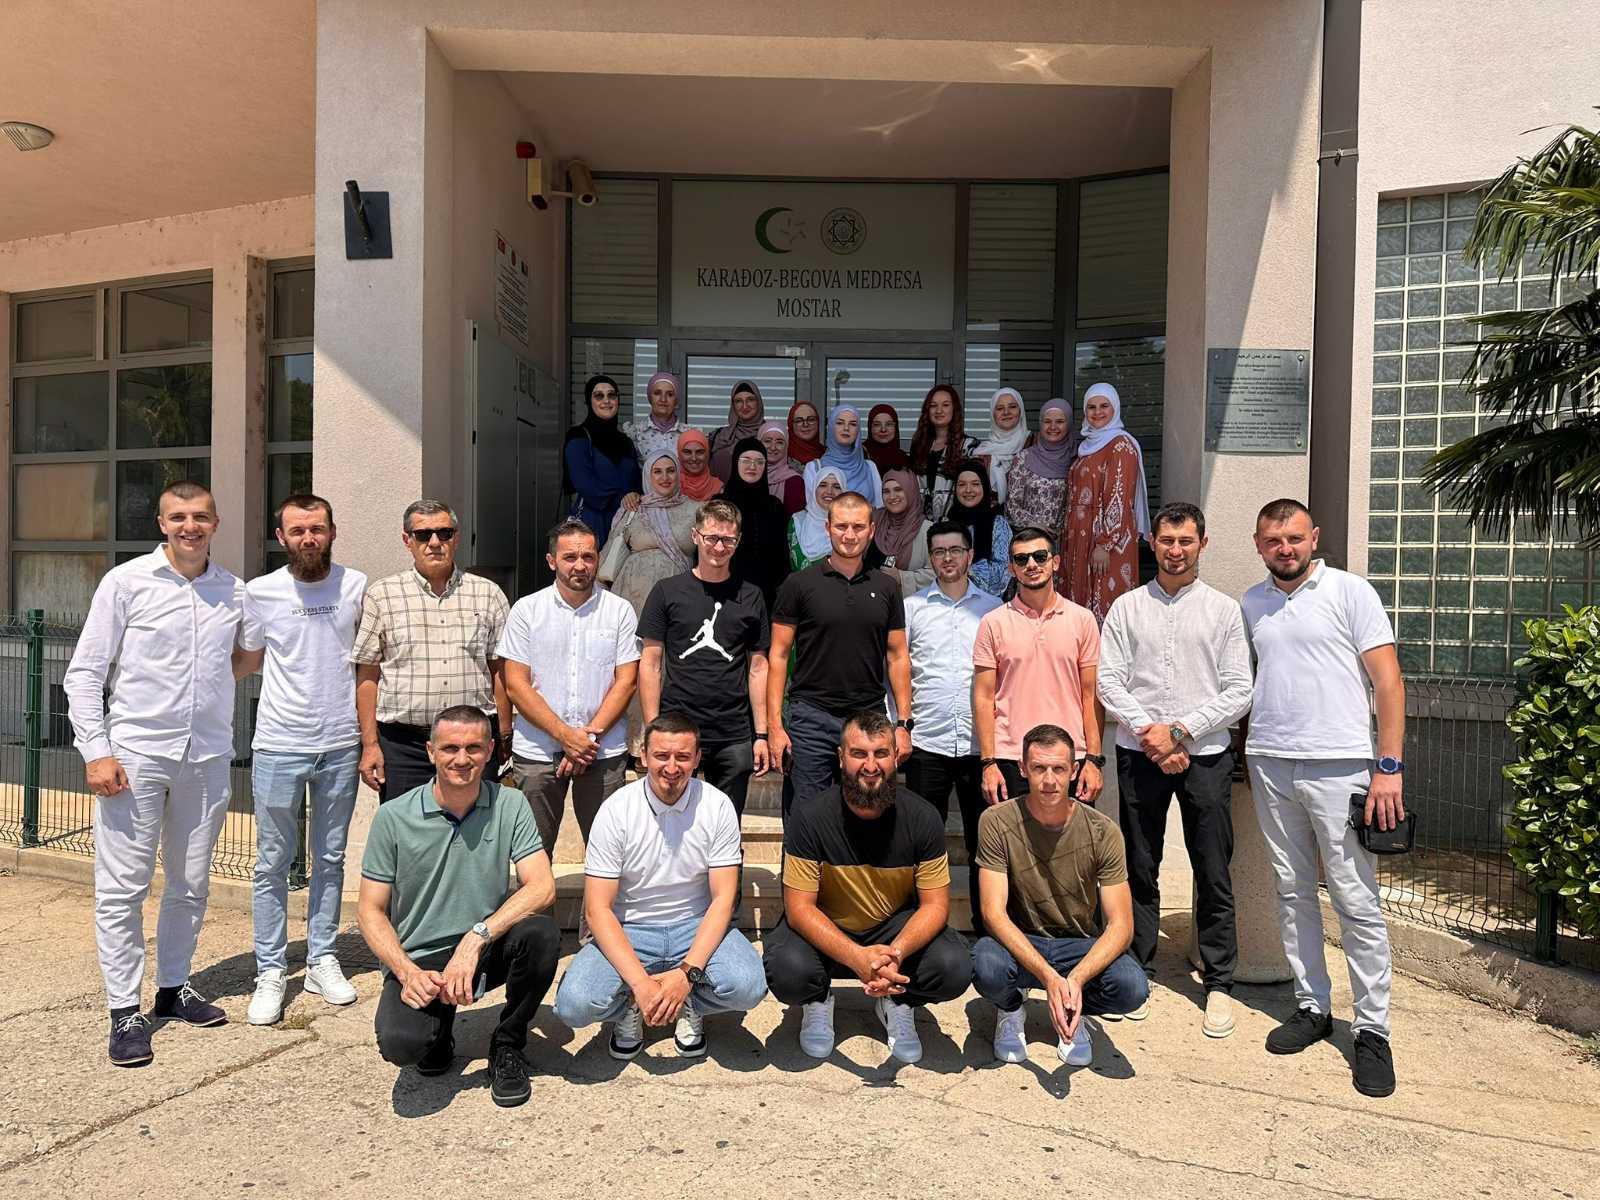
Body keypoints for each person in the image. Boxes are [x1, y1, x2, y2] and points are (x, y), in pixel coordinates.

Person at [64, 480, 244, 1067]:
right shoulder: (126, 582)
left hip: (206, 756)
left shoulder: (233, 590)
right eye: (179, 517)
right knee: (123, 888)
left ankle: (173, 988)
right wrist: (96, 750)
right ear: (162, 524)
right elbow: (85, 673)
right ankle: (124, 1011)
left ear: (216, 524)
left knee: (190, 882)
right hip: (135, 755)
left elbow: (244, 657)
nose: (191, 526)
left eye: (201, 517)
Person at [1241, 499, 1404, 1099]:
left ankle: (1372, 1030)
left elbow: (1388, 681)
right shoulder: (1252, 603)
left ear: (1314, 536)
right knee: (1292, 890)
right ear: (1259, 545)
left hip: (1342, 766)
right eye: (1272, 540)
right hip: (1271, 761)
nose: (1284, 548)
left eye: (1293, 537)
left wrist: (1388, 767)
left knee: (1355, 899)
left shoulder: (1350, 592)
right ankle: (1313, 1006)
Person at [1096, 501, 1253, 1039]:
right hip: (1140, 754)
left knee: (1212, 868)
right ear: (1153, 543)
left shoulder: (1223, 611)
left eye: (1186, 540)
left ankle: (1219, 981)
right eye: (1167, 540)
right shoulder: (1126, 607)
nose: (1176, 550)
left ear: (1202, 544)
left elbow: (1240, 689)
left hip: (1205, 757)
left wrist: (1181, 731)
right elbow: (1109, 681)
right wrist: (1154, 734)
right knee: (1139, 865)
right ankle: (1136, 971)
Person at [357, 706, 562, 1109]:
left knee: (541, 934)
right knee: (404, 1046)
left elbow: (542, 887)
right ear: (431, 752)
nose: (462, 759)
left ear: (490, 751)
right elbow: (370, 910)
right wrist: (407, 972)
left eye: (473, 748)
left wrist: (476, 937)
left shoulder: (510, 804)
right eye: (450, 748)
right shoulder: (393, 816)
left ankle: (507, 1044)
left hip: (482, 947)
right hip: (421, 959)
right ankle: (438, 1031)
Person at [763, 711, 972, 1064]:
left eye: (881, 753)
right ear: (841, 757)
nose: (871, 766)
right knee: (787, 971)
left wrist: (896, 954)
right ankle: (817, 1001)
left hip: (893, 927)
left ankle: (898, 1000)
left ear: (896, 756)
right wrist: (857, 958)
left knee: (954, 966)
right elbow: (799, 909)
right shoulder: (809, 818)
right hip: (829, 922)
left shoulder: (923, 818)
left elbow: (936, 906)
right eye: (859, 753)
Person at [554, 713, 767, 1059]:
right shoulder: (616, 810)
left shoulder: (717, 806)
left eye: (683, 756)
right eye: (661, 756)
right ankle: (633, 1004)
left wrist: (686, 975)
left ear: (697, 758)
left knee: (749, 986)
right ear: (643, 756)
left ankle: (686, 1001)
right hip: (630, 927)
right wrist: (640, 984)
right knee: (573, 1006)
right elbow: (597, 909)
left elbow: (724, 899)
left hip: (695, 925)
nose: (671, 767)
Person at [236, 494, 367, 1026]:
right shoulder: (260, 592)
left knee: (331, 858)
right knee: (271, 862)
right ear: (281, 536)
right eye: (297, 530)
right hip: (278, 745)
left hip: (340, 743)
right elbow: (247, 660)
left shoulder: (356, 587)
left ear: (332, 531)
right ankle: (270, 970)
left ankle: (321, 958)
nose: (308, 538)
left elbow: (368, 663)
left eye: (317, 528)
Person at [972, 723, 1149, 1066]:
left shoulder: (1103, 831)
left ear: (1074, 770)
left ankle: (1074, 1008)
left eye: (1059, 769)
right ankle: (1011, 1008)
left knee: (1132, 987)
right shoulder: (996, 821)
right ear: (1023, 769)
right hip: (1022, 939)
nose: (1049, 780)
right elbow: (993, 913)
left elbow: (1122, 925)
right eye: (1039, 768)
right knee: (985, 966)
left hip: (1078, 942)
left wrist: (1075, 980)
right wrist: (1049, 977)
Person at [352, 499, 512, 803]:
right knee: (407, 828)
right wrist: (370, 744)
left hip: (473, 743)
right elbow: (368, 675)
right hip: (404, 746)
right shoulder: (382, 595)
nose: (435, 542)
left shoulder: (488, 593)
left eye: (444, 533)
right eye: (424, 535)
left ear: (456, 537)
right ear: (407, 540)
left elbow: (499, 670)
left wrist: (504, 731)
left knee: (478, 826)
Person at [768, 492, 913, 814]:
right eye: (842, 526)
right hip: (811, 716)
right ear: (828, 528)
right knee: (806, 814)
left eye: (858, 527)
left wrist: (903, 723)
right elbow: (778, 655)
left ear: (871, 531)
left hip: (869, 717)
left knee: (869, 812)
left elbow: (897, 656)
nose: (849, 535)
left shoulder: (887, 587)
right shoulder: (798, 584)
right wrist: (775, 726)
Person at [500, 519, 639, 855]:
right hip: (537, 751)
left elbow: (627, 681)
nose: (580, 565)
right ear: (552, 561)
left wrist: (586, 740)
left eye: (588, 557)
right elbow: (516, 685)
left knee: (608, 854)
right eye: (570, 557)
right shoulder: (527, 611)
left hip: (602, 750)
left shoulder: (619, 610)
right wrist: (566, 736)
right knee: (533, 854)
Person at [639, 500, 771, 818]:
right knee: (672, 819)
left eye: (728, 539)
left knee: (726, 821)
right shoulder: (666, 591)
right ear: (695, 536)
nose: (719, 547)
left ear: (738, 542)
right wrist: (653, 728)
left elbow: (757, 667)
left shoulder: (751, 595)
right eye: (712, 537)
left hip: (733, 732)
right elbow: (651, 664)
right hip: (677, 728)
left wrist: (761, 734)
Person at [902, 520, 1003, 935]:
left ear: (969, 555)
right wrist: (899, 725)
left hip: (983, 747)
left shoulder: (994, 610)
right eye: (940, 552)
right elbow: (897, 671)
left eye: (955, 550)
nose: (948, 558)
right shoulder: (912, 608)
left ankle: (988, 932)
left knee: (986, 845)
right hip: (927, 740)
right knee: (922, 843)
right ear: (932, 557)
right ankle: (924, 930)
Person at [974, 527, 1105, 808]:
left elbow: (1091, 695)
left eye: (1040, 556)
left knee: (1073, 837)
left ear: (1055, 562)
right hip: (1011, 758)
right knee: (1012, 837)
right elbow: (984, 698)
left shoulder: (1083, 620)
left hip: (1069, 757)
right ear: (1011, 569)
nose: (1031, 564)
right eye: (1022, 559)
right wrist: (988, 762)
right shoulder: (992, 623)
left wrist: (1093, 760)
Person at [1063, 382, 1152, 622]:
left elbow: (1118, 498)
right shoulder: (1087, 446)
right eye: (1091, 407)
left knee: (1106, 602)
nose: (1097, 412)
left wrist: (1104, 544)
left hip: (1107, 542)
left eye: (1104, 406)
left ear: (1115, 409)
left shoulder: (1120, 445)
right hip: (1082, 537)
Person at [598, 451, 697, 618]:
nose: (664, 477)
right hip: (631, 597)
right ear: (647, 476)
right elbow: (608, 555)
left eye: (670, 471)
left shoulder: (696, 509)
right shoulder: (634, 508)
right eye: (657, 471)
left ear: (679, 474)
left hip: (678, 598)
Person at [564, 373, 641, 537]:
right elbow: (584, 483)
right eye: (599, 396)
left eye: (611, 395)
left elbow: (636, 483)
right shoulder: (579, 437)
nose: (606, 400)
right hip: (593, 523)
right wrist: (621, 498)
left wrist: (635, 496)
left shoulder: (626, 442)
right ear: (589, 401)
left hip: (627, 523)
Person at [721, 437, 791, 612]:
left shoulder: (775, 506)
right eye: (746, 460)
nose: (752, 466)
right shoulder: (719, 505)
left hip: (767, 599)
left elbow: (782, 557)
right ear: (735, 463)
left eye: (759, 462)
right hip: (725, 596)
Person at [1002, 397, 1074, 550]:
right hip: (1028, 541)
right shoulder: (1024, 458)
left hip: (1064, 543)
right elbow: (1011, 507)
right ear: (1040, 423)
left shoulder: (1076, 460)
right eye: (1047, 421)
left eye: (1060, 421)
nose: (1053, 427)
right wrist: (1037, 526)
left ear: (1068, 424)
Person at [941, 460, 1014, 596]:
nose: (968, 490)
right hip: (947, 597)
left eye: (975, 484)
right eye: (962, 484)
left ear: (984, 487)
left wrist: (965, 573)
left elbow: (1001, 573)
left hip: (986, 601)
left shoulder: (997, 524)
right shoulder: (947, 523)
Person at [908, 384, 978, 519]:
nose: (939, 410)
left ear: (954, 409)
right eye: (933, 405)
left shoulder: (968, 446)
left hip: (955, 523)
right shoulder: (919, 445)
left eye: (945, 405)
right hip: (921, 524)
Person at [803, 404, 883, 507]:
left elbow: (879, 509)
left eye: (853, 424)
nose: (846, 428)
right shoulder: (814, 468)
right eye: (840, 423)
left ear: (858, 430)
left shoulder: (870, 468)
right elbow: (813, 509)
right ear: (831, 427)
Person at [869, 467, 935, 593]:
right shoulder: (874, 521)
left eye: (898, 490)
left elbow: (938, 572)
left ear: (911, 491)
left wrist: (902, 578)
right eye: (886, 491)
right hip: (871, 599)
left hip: (908, 602)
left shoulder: (928, 531)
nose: (892, 496)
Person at [623, 370, 694, 471]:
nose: (663, 399)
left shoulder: (689, 434)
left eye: (670, 394)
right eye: (657, 393)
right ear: (650, 397)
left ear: (676, 400)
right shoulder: (635, 433)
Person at [974, 387, 1030, 505]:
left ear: (1021, 411)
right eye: (999, 408)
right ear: (993, 414)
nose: (1006, 412)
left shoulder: (1033, 445)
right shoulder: (982, 453)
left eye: (1012, 407)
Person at [787, 466, 844, 572]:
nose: (829, 491)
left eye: (836, 487)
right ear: (814, 489)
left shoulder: (851, 526)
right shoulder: (798, 521)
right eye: (823, 485)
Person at [708, 379, 766, 481]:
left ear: (759, 402)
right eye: (738, 401)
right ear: (733, 405)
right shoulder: (718, 436)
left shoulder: (769, 435)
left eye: (750, 399)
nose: (745, 406)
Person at [758, 419, 807, 515]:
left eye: (779, 442)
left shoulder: (794, 481)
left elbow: (795, 520)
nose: (773, 447)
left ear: (786, 446)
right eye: (767, 441)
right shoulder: (749, 474)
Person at [676, 428, 723, 502]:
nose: (694, 458)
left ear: (707, 454)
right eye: (687, 452)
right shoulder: (671, 486)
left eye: (700, 452)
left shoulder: (719, 489)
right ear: (679, 454)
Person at [863, 402, 910, 474]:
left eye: (889, 424)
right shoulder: (859, 456)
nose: (883, 429)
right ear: (870, 427)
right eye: (877, 425)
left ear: (895, 427)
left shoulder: (904, 460)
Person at [786, 399, 826, 466]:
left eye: (811, 419)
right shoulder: (782, 455)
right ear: (791, 425)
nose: (805, 424)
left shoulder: (827, 455)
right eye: (799, 421)